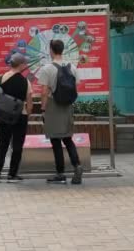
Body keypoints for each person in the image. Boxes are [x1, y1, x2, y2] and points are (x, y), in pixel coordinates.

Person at [37, 40, 83, 185]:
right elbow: (76, 87)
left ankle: (60, 173)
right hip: (68, 107)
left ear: (51, 50)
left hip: (53, 106)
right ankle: (77, 165)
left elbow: (44, 92)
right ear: (62, 50)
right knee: (68, 139)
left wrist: (43, 109)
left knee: (55, 140)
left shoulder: (47, 69)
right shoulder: (73, 68)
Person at [0, 54, 33, 183]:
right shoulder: (26, 82)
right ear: (21, 65)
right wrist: (28, 114)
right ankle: (12, 174)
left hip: (4, 115)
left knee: (3, 144)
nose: (25, 66)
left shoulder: (1, 78)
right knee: (17, 145)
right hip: (20, 116)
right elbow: (29, 102)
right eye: (25, 64)